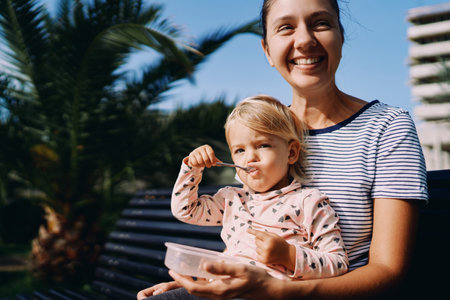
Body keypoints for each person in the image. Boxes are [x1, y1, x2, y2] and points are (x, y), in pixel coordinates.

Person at [138, 0, 428, 299]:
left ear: (340, 35)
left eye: (321, 23)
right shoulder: (261, 134)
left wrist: (276, 291)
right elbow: (246, 234)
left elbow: (388, 271)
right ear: (267, 50)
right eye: (286, 27)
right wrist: (208, 284)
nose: (304, 40)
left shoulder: (387, 127)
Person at [140, 95, 348, 298]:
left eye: (263, 145)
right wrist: (192, 169)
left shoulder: (308, 202)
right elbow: (185, 211)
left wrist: (289, 256)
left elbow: (338, 263)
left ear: (291, 153)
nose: (250, 158)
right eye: (240, 150)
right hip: (219, 290)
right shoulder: (232, 199)